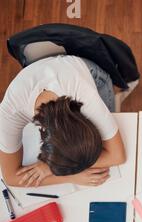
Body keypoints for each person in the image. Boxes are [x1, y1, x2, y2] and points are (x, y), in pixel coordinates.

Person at [0, 55, 126, 188]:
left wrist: (49, 168)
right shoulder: (10, 112)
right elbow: (11, 178)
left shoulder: (86, 97)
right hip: (51, 71)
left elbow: (117, 156)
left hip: (89, 73)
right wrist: (70, 176)